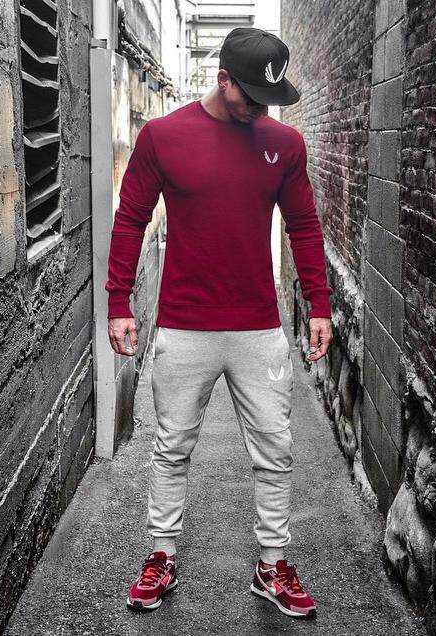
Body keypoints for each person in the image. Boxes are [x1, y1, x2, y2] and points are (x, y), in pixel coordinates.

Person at [105, 27, 333, 619]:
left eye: (270, 98)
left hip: (258, 328)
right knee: (172, 446)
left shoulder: (285, 144)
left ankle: (272, 564)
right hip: (184, 326)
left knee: (275, 450)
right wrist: (119, 302)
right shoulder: (163, 137)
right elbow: (130, 219)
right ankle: (161, 556)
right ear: (222, 77)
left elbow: (305, 227)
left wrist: (320, 305)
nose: (261, 109)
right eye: (251, 96)